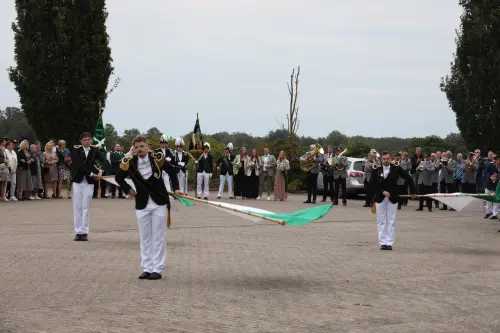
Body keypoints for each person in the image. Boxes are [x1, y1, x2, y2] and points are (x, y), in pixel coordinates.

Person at [115, 135, 182, 280]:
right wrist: (128, 190)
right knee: (145, 237)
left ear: (147, 146)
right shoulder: (130, 162)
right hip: (142, 203)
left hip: (159, 201)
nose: (139, 149)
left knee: (158, 236)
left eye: (142, 146)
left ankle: (157, 268)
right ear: (134, 149)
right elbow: (118, 177)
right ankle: (146, 267)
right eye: (137, 147)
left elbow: (171, 171)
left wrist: (176, 188)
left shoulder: (156, 158)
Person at [371, 151, 416, 250]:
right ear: (381, 159)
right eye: (384, 159)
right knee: (381, 221)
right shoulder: (376, 169)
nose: (386, 161)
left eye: (388, 159)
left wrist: (413, 191)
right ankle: (383, 242)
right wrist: (382, 192)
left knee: (391, 221)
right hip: (380, 197)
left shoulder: (396, 168)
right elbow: (372, 184)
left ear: (390, 158)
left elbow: (409, 178)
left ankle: (389, 243)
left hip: (393, 198)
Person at [70, 132, 109, 241]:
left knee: (86, 206)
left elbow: (105, 161)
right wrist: (92, 174)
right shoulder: (76, 151)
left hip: (88, 182)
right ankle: (78, 232)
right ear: (81, 141)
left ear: (91, 140)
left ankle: (85, 232)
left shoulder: (94, 150)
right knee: (77, 206)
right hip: (78, 181)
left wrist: (101, 171)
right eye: (85, 139)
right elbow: (79, 166)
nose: (87, 141)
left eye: (89, 139)